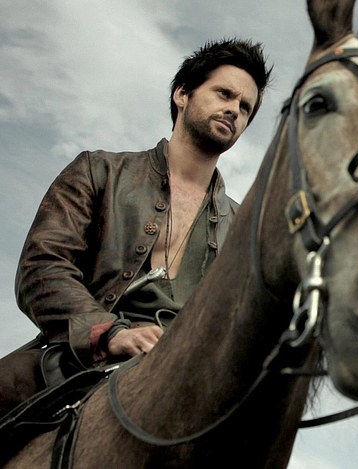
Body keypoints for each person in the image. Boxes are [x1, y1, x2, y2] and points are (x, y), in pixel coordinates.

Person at [0, 38, 273, 416]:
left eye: (245, 108)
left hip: (188, 380)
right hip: (76, 361)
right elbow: (42, 267)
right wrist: (108, 333)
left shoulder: (244, 229)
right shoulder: (100, 170)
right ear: (182, 94)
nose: (234, 110)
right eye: (224, 94)